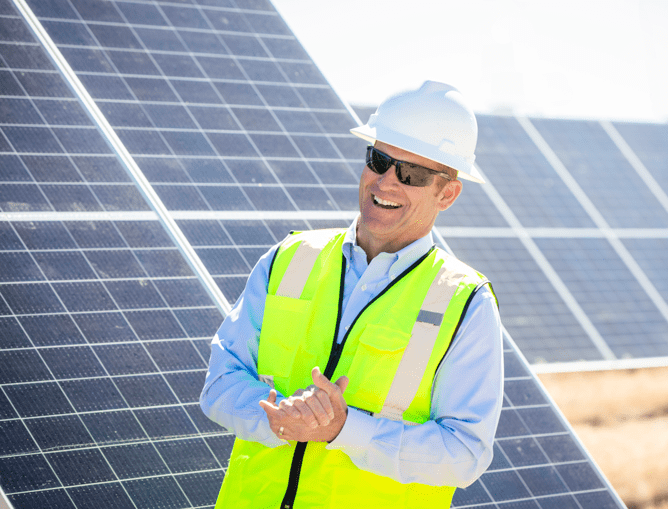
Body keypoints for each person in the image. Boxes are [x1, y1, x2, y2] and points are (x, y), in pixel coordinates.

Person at [200, 81, 504, 509]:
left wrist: (344, 430)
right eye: (378, 160)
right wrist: (283, 420)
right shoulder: (290, 258)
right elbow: (220, 384)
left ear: (447, 193)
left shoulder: (464, 302)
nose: (386, 182)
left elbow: (465, 454)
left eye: (412, 174)